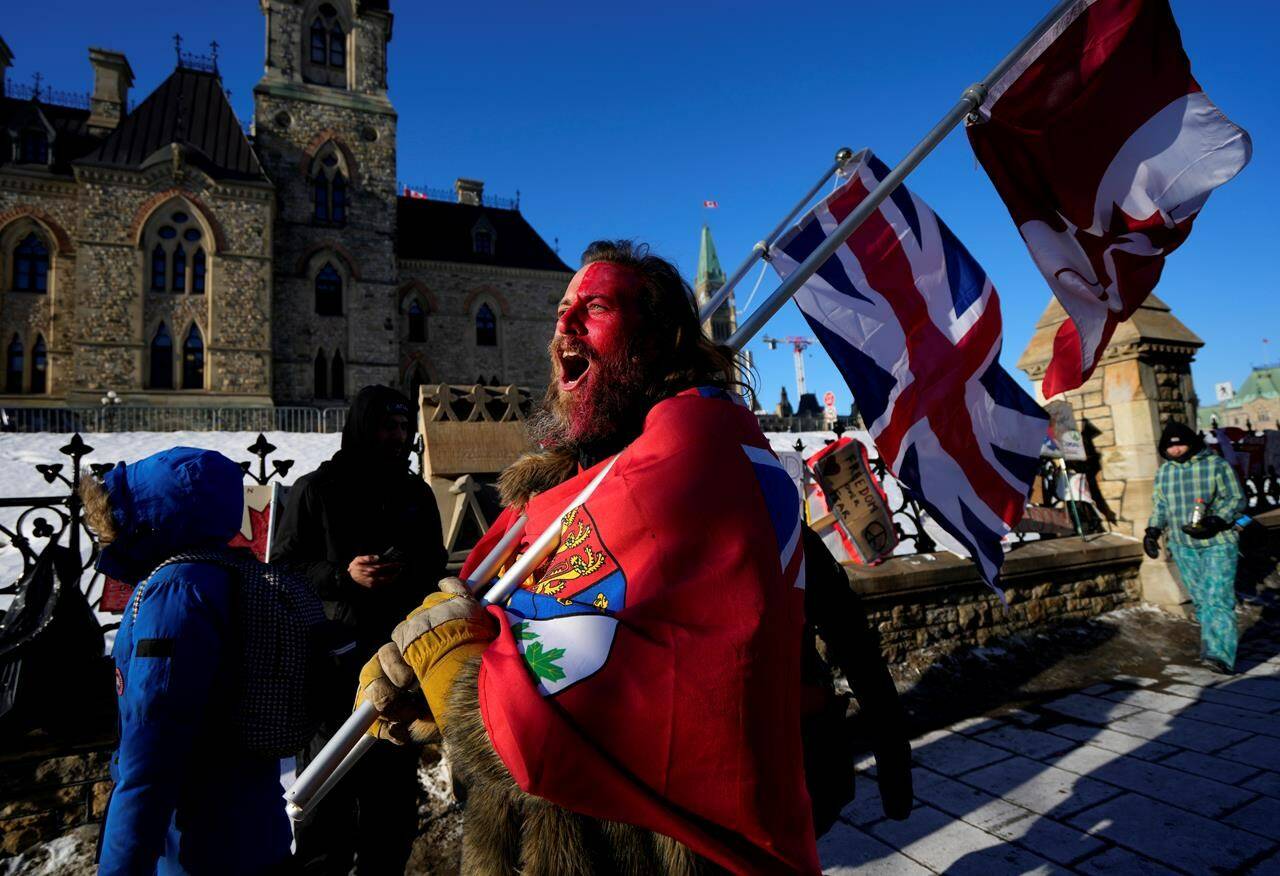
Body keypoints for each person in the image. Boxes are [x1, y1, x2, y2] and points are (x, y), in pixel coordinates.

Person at [354, 241, 910, 872]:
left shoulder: (710, 478)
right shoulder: (546, 500)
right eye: (562, 308)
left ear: (651, 345)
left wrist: (886, 725)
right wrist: (426, 680)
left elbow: (822, 596)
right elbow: (506, 626)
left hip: (656, 845)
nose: (563, 323)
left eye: (594, 307)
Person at [86, 448, 293, 875]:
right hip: (252, 827)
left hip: (196, 846)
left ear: (150, 516)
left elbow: (152, 753)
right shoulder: (227, 573)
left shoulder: (175, 593)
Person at [274, 384, 447, 874]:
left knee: (389, 821)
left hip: (398, 675)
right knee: (324, 815)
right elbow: (284, 570)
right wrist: (341, 576)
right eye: (386, 426)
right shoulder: (318, 490)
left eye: (403, 427)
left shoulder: (416, 495)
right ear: (362, 427)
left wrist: (405, 572)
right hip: (334, 677)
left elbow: (434, 570)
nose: (396, 437)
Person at [1145, 420, 1246, 674]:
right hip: (1182, 545)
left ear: (1191, 444)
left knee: (1218, 598)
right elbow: (1160, 505)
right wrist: (1152, 530)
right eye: (1170, 448)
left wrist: (1217, 519)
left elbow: (1235, 498)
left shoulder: (1215, 465)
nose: (1176, 451)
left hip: (1218, 543)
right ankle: (1211, 646)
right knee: (1201, 600)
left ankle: (1220, 655)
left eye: (1180, 446)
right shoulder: (1165, 472)